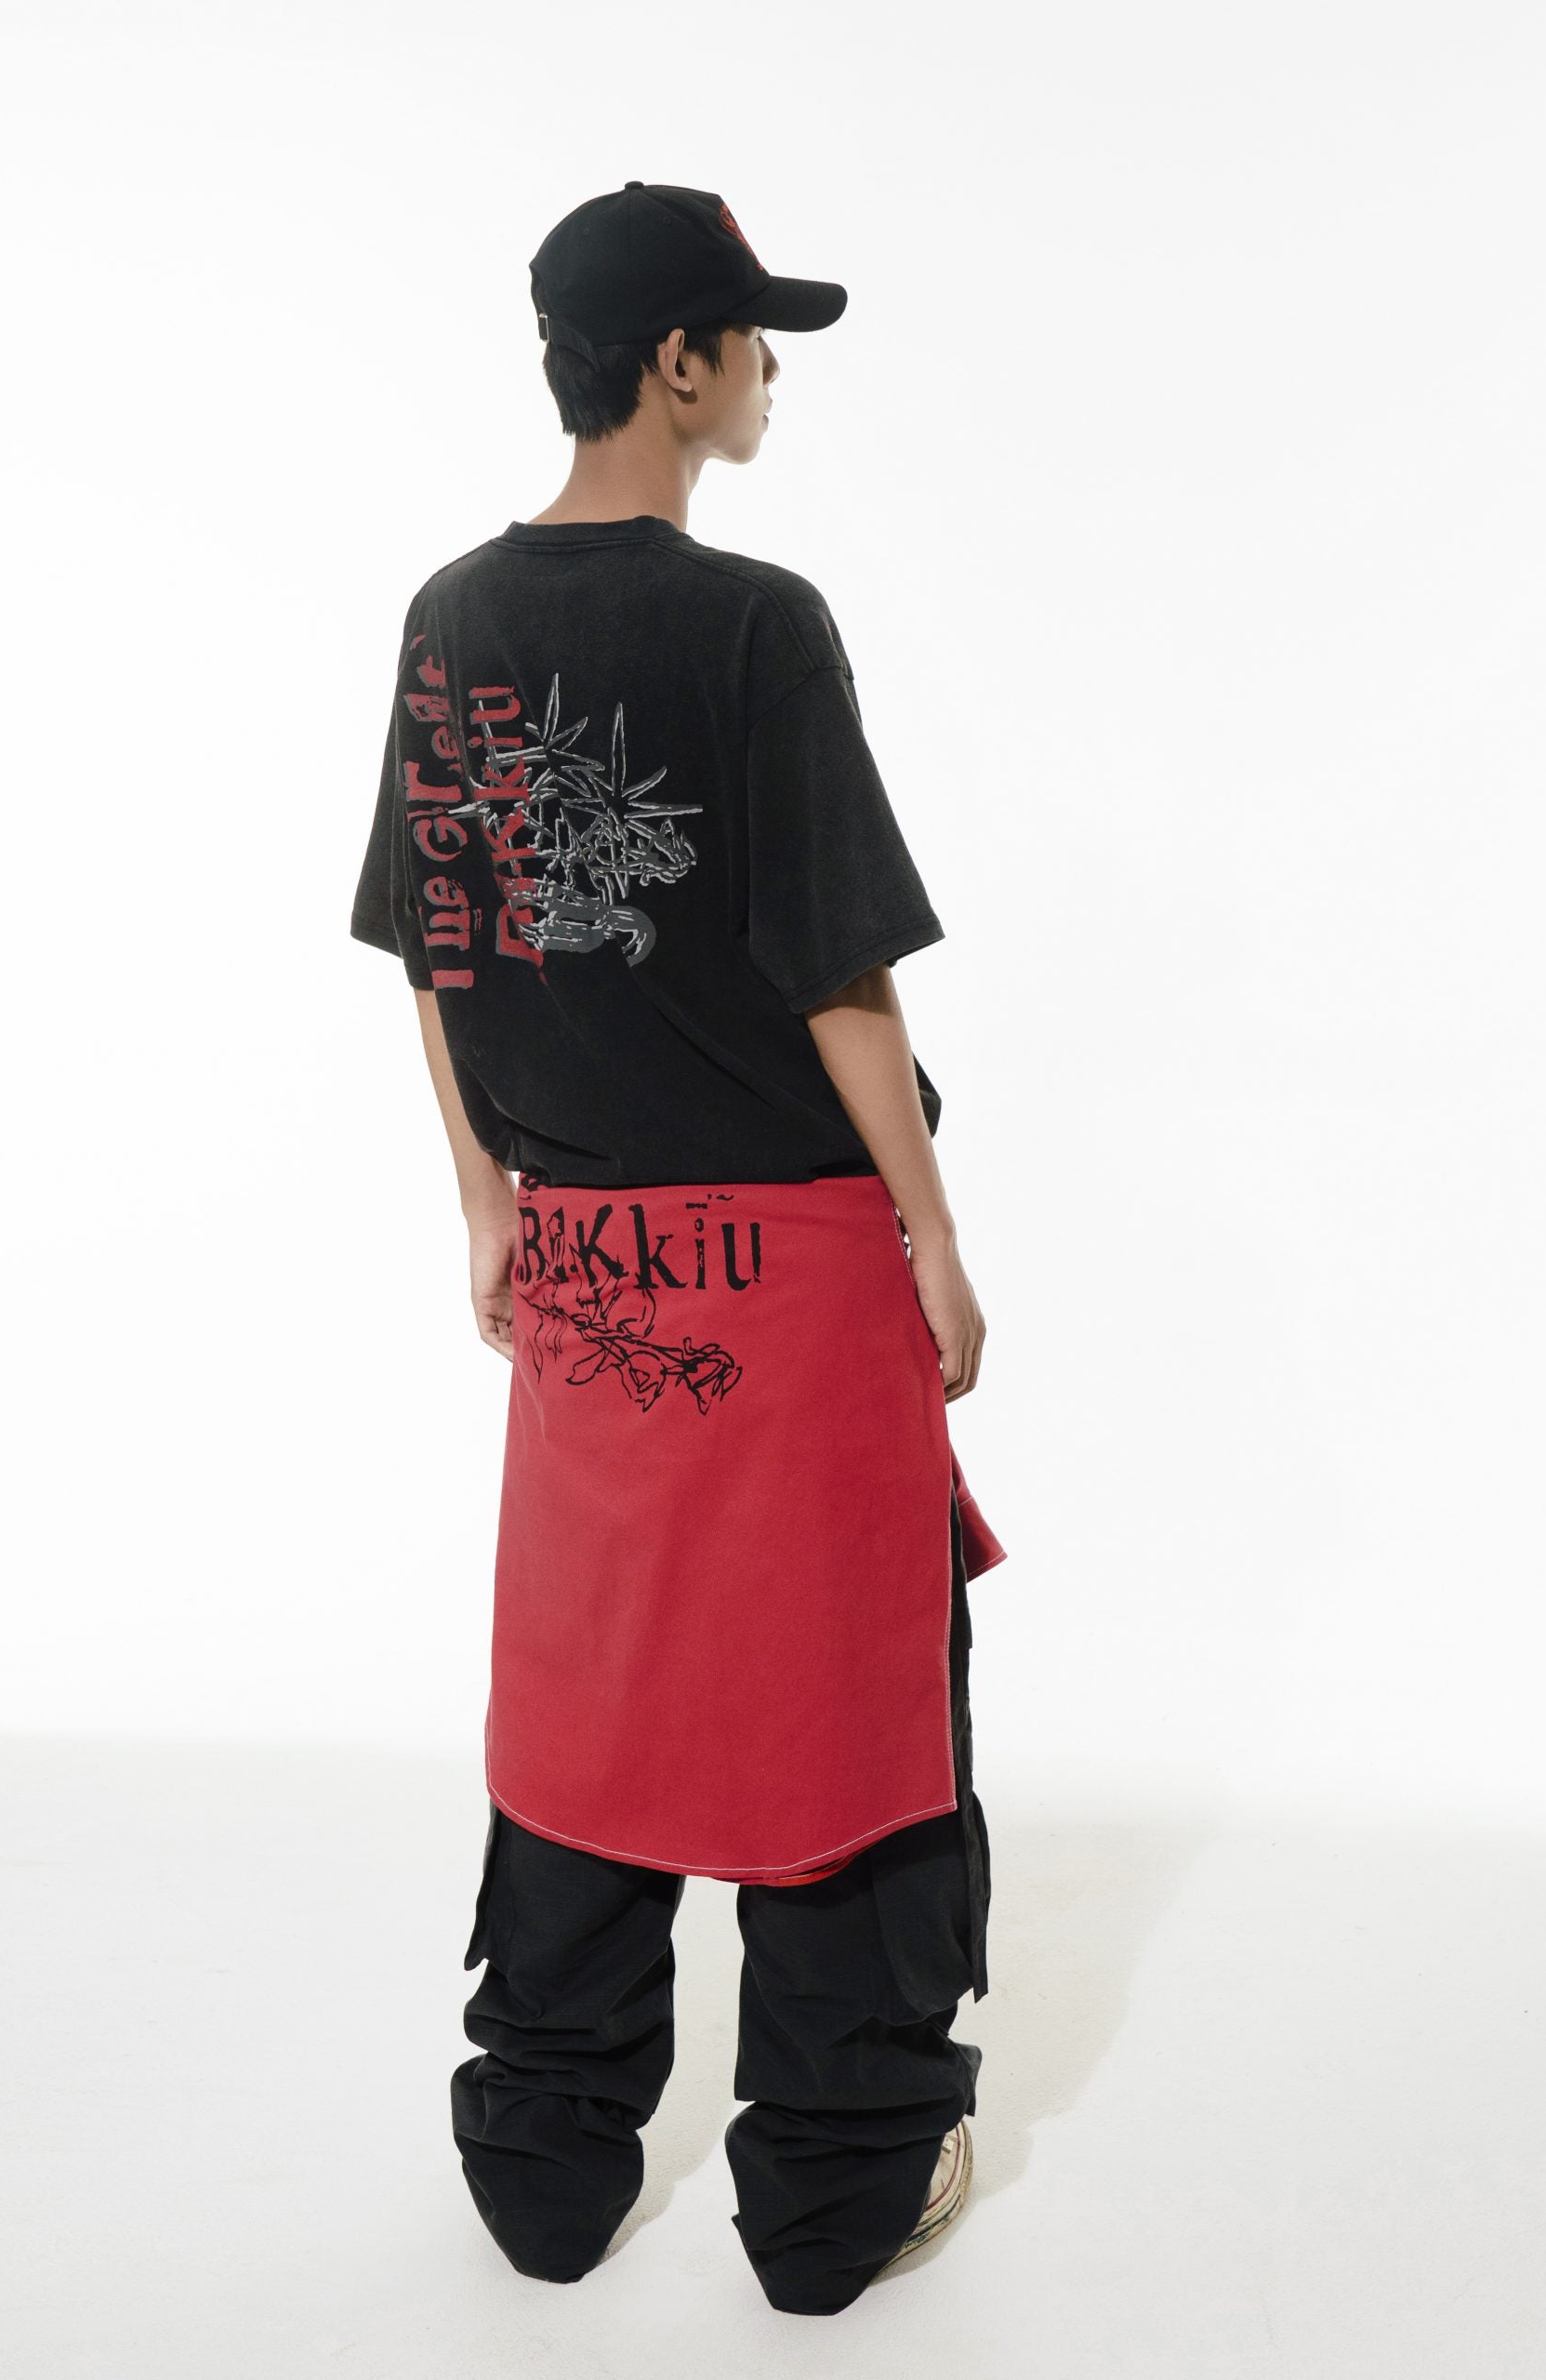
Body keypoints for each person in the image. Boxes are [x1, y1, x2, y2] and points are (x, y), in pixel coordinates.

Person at [350, 181, 1008, 2319]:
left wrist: (487, 1197)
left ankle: (545, 2159)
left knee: (591, 1688)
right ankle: (831, 2193)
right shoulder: (754, 624)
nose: (769, 374)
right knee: (852, 1706)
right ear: (676, 363)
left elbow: (442, 951)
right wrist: (930, 1228)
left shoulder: (453, 614)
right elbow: (835, 972)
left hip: (590, 1267)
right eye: (751, 338)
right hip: (792, 1262)